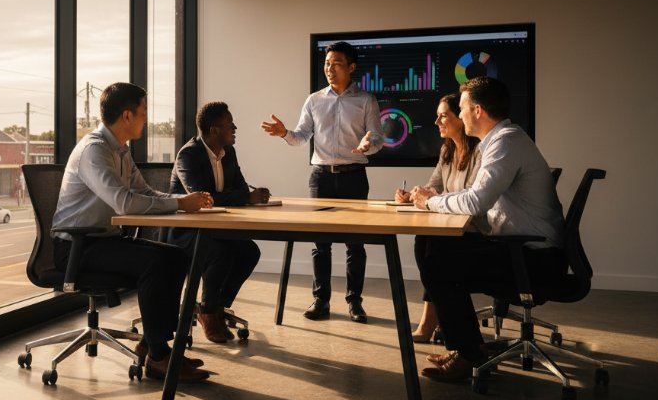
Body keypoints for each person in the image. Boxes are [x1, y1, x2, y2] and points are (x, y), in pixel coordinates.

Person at [50, 82, 215, 383]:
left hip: (103, 241)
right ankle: (159, 357)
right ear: (127, 115)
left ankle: (152, 346)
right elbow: (124, 202)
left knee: (177, 257)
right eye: (143, 112)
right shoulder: (94, 150)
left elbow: (145, 192)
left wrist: (185, 202)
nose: (146, 119)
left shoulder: (120, 150)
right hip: (76, 247)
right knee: (155, 263)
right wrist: (180, 203)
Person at [411, 76, 565, 382]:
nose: (461, 114)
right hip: (519, 247)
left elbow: (476, 201)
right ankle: (467, 346)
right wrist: (435, 200)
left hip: (533, 258)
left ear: (478, 110)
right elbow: (476, 197)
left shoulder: (505, 143)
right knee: (431, 244)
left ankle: (468, 354)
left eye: (463, 108)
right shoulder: (498, 141)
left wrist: (430, 202)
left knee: (438, 266)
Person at [261, 41, 382, 323]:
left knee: (355, 244)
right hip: (321, 178)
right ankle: (321, 301)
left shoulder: (366, 101)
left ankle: (355, 303)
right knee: (320, 243)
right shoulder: (314, 100)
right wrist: (284, 133)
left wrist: (369, 143)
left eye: (336, 63)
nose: (330, 68)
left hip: (354, 176)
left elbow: (376, 137)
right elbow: (301, 137)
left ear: (351, 67)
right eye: (327, 63)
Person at [169, 101, 268, 343]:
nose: (235, 128)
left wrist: (247, 196)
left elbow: (241, 187)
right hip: (186, 231)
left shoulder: (228, 152)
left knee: (249, 252)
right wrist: (245, 197)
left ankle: (214, 307)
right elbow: (203, 199)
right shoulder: (188, 155)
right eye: (229, 124)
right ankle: (209, 312)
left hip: (217, 228)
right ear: (214, 130)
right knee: (220, 252)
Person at [395, 93, 480, 343]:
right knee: (424, 241)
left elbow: (472, 196)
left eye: (443, 115)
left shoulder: (479, 151)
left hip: (475, 229)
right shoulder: (447, 150)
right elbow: (433, 186)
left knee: (434, 252)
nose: (436, 122)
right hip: (452, 223)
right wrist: (413, 195)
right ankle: (436, 318)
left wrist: (431, 197)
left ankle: (438, 320)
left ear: (460, 118)